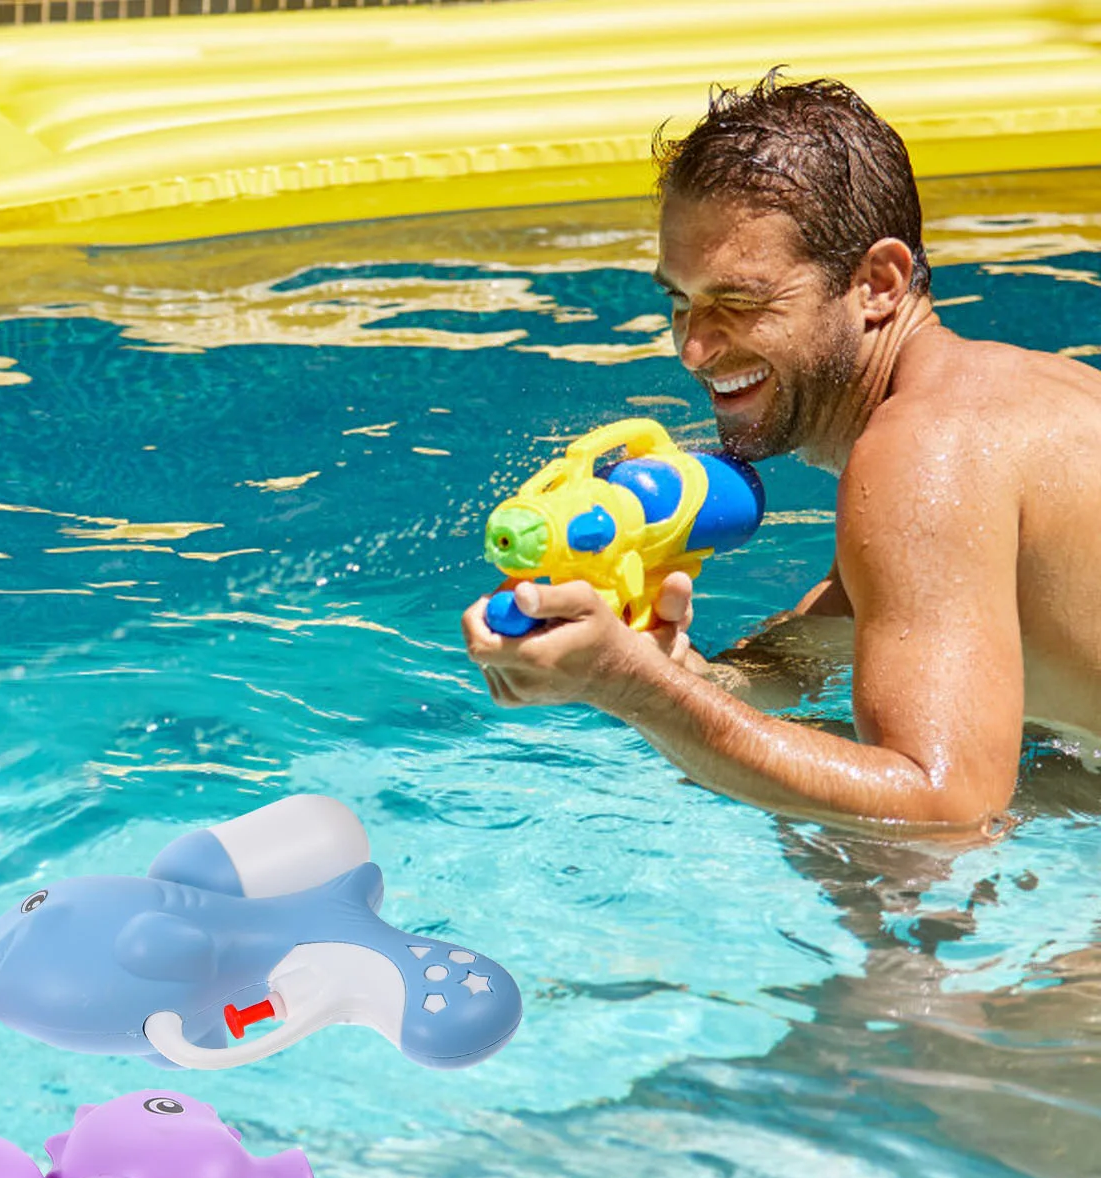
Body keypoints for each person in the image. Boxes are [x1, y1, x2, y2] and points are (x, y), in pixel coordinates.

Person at [462, 74, 1101, 833]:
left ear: (877, 283)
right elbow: (811, 651)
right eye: (680, 302)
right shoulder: (1008, 399)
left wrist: (629, 686)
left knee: (868, 858)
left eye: (739, 303)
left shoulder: (925, 454)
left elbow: (944, 810)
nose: (694, 349)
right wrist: (681, 670)